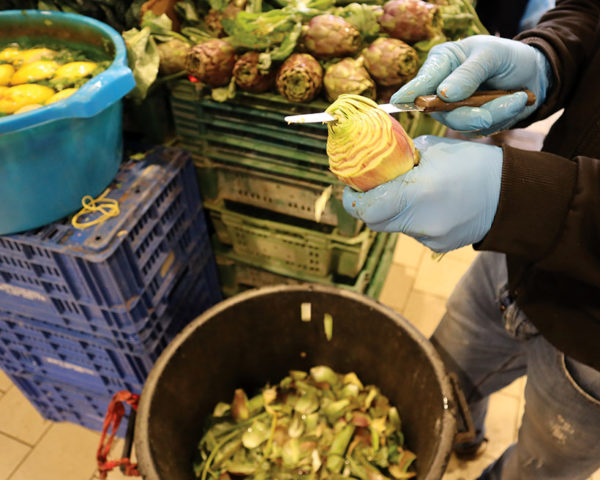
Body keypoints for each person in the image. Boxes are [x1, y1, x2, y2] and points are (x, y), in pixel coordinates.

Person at [342, 1, 600, 479]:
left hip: (593, 351)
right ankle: (464, 440)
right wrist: (548, 56)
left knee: (539, 467)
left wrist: (540, 203)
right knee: (440, 378)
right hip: (515, 256)